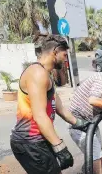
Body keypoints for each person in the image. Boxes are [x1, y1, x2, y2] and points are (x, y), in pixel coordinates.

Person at [10, 34, 90, 174]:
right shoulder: (37, 73)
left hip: (38, 140)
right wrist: (60, 147)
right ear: (55, 51)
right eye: (65, 55)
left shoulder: (46, 74)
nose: (66, 60)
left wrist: (79, 122)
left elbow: (59, 108)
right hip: (29, 142)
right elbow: (40, 115)